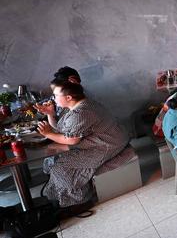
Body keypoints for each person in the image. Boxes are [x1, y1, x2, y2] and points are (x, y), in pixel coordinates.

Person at [34, 81, 129, 213]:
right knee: (54, 160)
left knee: (60, 168)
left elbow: (70, 140)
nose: (53, 99)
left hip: (108, 144)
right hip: (100, 140)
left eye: (55, 96)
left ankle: (78, 202)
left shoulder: (81, 113)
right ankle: (67, 197)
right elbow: (63, 131)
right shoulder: (80, 105)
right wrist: (50, 113)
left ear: (68, 98)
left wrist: (48, 133)